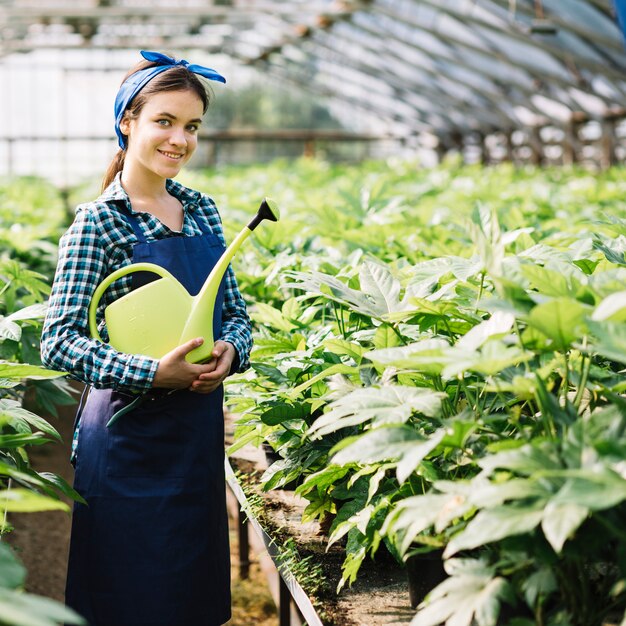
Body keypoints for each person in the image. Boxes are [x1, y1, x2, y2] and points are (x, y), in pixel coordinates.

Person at [41, 50, 252, 626]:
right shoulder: (99, 221)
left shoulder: (202, 211)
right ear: (127, 122)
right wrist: (155, 373)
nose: (179, 139)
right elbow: (57, 341)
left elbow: (236, 315)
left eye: (192, 127)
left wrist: (231, 353)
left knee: (190, 598)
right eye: (164, 121)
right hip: (127, 442)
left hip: (193, 443)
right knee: (125, 598)